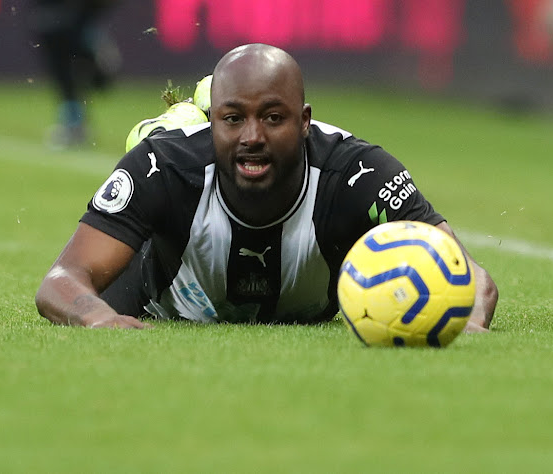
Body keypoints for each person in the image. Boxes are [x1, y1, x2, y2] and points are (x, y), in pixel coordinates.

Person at [35, 43, 498, 331]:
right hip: (161, 305)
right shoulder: (165, 165)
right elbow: (61, 281)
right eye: (233, 119)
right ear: (212, 121)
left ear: (304, 121)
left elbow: (471, 277)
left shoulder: (357, 173)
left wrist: (469, 322)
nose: (252, 137)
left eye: (273, 118)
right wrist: (98, 319)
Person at [29, 0, 122, 148]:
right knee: (63, 75)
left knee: (97, 78)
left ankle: (75, 120)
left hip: (80, 24)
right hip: (54, 25)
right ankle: (73, 122)